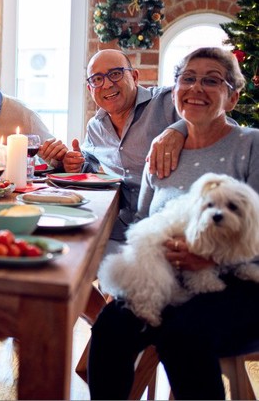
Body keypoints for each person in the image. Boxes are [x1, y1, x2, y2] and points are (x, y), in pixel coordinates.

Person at [88, 47, 259, 399]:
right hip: (166, 280)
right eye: (188, 79)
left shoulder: (251, 145)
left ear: (232, 97)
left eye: (211, 81)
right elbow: (144, 221)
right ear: (176, 88)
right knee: (108, 328)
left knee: (182, 335)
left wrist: (210, 260)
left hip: (238, 282)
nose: (196, 88)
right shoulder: (162, 149)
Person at [62, 49, 187, 255]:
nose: (107, 84)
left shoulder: (167, 102)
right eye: (97, 79)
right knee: (69, 255)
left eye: (116, 74)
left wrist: (179, 128)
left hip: (171, 230)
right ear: (90, 88)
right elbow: (88, 164)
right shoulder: (96, 126)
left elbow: (219, 124)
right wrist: (74, 162)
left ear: (135, 76)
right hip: (120, 229)